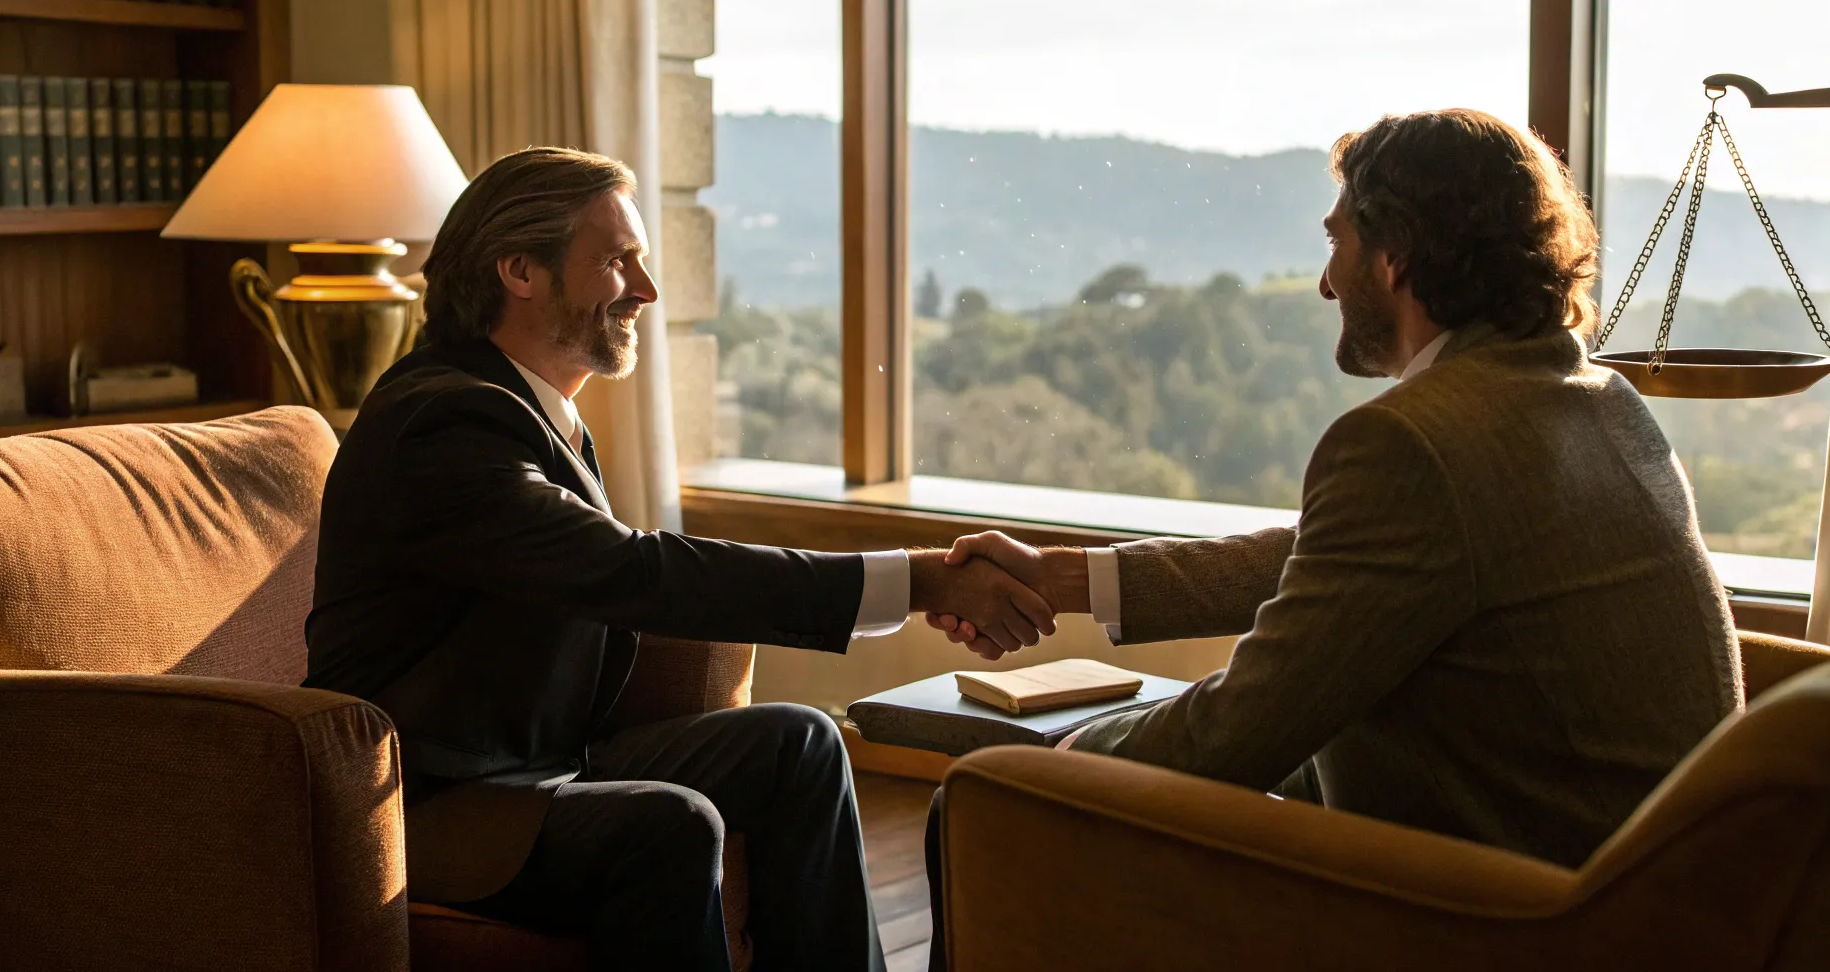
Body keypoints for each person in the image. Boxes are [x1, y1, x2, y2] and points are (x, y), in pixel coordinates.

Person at [923, 108, 1741, 965]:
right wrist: (1065, 580)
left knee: (985, 805)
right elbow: (1340, 557)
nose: (1323, 283)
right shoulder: (1593, 400)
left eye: (1335, 243)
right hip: (1661, 901)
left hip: (1523, 920)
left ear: (1396, 257)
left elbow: (1239, 733)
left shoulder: (1411, 444)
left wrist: (1064, 761)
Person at [303, 147, 1053, 972]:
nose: (646, 291)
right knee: (671, 823)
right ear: (519, 269)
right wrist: (920, 580)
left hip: (540, 763)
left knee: (797, 743)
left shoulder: (525, 408)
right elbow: (631, 573)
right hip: (434, 798)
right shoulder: (444, 426)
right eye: (618, 261)